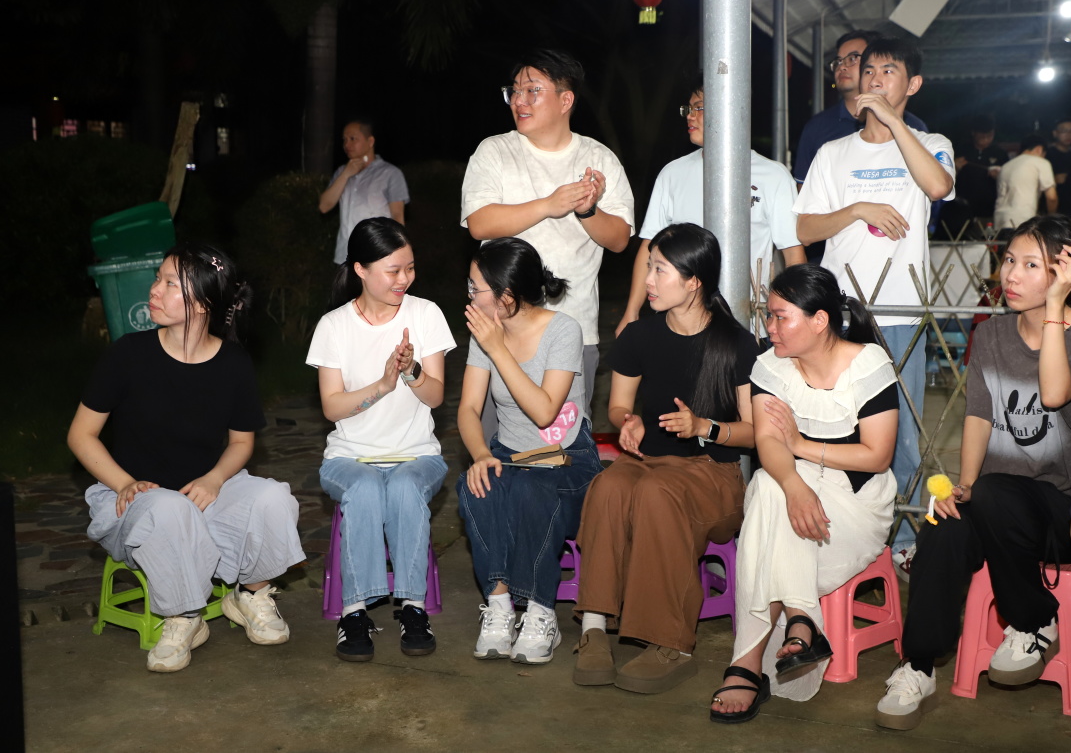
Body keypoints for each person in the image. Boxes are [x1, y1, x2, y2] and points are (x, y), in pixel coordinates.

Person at [874, 215, 1071, 730]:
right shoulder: (990, 334)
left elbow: (1055, 394)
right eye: (1009, 259)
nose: (1011, 274)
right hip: (992, 500)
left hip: (1064, 513)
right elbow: (979, 417)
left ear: (1066, 272)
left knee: (993, 493)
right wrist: (962, 487)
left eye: (1031, 265)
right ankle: (918, 666)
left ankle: (1035, 619)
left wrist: (1055, 310)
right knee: (943, 523)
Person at [68, 243, 304, 673]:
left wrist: (215, 479)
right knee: (169, 509)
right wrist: (123, 483)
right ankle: (184, 617)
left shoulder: (233, 363)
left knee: (273, 498)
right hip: (137, 502)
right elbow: (81, 435)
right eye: (157, 279)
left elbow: (241, 443)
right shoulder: (128, 354)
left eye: (169, 283)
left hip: (205, 494)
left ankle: (251, 594)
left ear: (203, 303)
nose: (154, 290)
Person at [572, 223, 759, 694]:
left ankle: (671, 644)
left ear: (693, 281)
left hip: (712, 475)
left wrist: (704, 427)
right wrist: (628, 421)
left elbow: (756, 432)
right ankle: (594, 628)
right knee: (609, 485)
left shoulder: (736, 343)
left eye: (658, 270)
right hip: (649, 463)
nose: (648, 281)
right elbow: (618, 405)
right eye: (648, 268)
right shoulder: (640, 335)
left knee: (656, 492)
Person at [792, 35, 955, 574]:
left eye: (889, 71)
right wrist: (859, 208)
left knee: (904, 432)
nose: (874, 79)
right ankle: (843, 532)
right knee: (837, 423)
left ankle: (908, 538)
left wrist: (893, 123)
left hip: (902, 311)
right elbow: (804, 227)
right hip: (843, 315)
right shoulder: (833, 153)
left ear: (913, 84)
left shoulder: (931, 142)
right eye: (869, 70)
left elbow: (938, 187)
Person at [709, 265, 899, 723]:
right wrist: (795, 485)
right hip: (793, 501)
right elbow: (767, 442)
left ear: (819, 320)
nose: (769, 327)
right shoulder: (771, 365)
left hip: (854, 508)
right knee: (770, 485)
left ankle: (747, 664)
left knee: (767, 506)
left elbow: (876, 456)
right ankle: (799, 619)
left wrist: (799, 445)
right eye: (768, 315)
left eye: (780, 316)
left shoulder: (867, 365)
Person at [306, 218, 455, 662]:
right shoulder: (333, 326)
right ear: (360, 269)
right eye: (393, 270)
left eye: (410, 267)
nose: (404, 279)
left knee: (406, 487)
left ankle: (413, 607)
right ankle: (354, 614)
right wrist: (384, 384)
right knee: (366, 488)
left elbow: (435, 396)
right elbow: (332, 408)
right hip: (349, 459)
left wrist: (411, 371)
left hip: (418, 456)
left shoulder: (425, 314)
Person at [455, 237, 604, 665]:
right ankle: (499, 606)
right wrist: (481, 454)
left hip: (567, 457)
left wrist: (498, 349)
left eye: (476, 288)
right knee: (477, 487)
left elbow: (543, 411)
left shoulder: (563, 330)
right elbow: (468, 409)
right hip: (510, 454)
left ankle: (541, 612)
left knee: (530, 491)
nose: (470, 295)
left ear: (505, 296)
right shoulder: (484, 334)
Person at [461, 49, 635, 408]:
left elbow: (619, 239)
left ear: (565, 100)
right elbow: (479, 223)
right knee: (494, 436)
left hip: (574, 325)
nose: (519, 101)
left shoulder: (599, 158)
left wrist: (588, 211)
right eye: (514, 91)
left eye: (532, 91)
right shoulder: (494, 151)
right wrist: (548, 205)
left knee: (566, 438)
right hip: (499, 327)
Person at [617, 84, 805, 336]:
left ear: (730, 109)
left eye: (699, 108)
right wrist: (631, 311)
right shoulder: (672, 174)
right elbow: (649, 247)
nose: (689, 116)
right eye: (688, 109)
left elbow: (792, 252)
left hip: (750, 325)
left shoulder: (773, 175)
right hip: (679, 325)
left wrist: (795, 314)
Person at [792, 29, 929, 264]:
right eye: (838, 61)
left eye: (853, 58)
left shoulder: (915, 130)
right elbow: (804, 205)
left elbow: (932, 194)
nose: (842, 66)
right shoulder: (818, 129)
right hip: (830, 257)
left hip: (899, 258)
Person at [319, 118, 410, 264]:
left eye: (353, 139)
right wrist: (346, 174)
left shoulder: (390, 173)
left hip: (377, 256)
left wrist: (397, 254)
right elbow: (324, 206)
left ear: (370, 141)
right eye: (344, 140)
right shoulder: (341, 172)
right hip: (345, 256)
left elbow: (398, 217)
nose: (347, 145)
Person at [952, 114, 1010, 225]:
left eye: (990, 135)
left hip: (989, 209)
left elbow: (1008, 180)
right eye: (982, 135)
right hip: (962, 208)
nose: (986, 138)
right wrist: (954, 168)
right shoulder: (961, 150)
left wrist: (999, 176)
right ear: (973, 133)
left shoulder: (1000, 153)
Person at [992, 134, 1056, 231]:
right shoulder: (1040, 162)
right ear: (1039, 149)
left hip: (999, 221)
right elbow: (1052, 197)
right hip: (1022, 221)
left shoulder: (1006, 166)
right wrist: (1051, 219)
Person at [1044, 119, 1071, 219]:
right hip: (1052, 208)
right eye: (1064, 131)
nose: (1069, 134)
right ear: (1055, 133)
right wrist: (1053, 180)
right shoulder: (1047, 154)